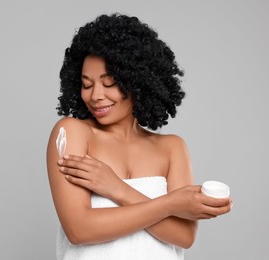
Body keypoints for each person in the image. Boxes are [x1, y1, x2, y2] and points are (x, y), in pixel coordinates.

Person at [46, 14, 231, 260]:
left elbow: (184, 237)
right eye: (87, 85)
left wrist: (117, 189)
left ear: (137, 81)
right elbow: (79, 229)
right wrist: (169, 204)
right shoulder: (72, 132)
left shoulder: (171, 148)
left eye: (109, 82)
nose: (96, 96)